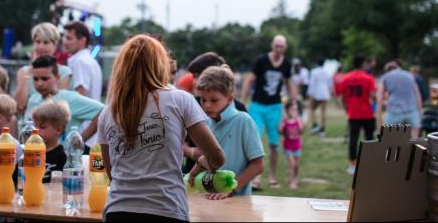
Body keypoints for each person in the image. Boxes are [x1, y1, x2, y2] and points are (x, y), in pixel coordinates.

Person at [98, 34, 225, 223]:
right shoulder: (180, 99)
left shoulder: (108, 113)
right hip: (167, 208)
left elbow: (112, 173)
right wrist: (202, 164)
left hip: (118, 209)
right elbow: (217, 158)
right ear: (160, 64)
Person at [185, 66, 263, 198]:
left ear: (230, 98)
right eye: (203, 100)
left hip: (239, 202)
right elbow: (206, 159)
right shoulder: (206, 123)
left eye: (214, 100)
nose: (207, 105)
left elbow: (258, 166)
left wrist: (230, 189)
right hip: (209, 200)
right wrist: (192, 175)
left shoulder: (243, 121)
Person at [240, 35, 296, 190]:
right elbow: (250, 79)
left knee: (274, 144)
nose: (278, 49)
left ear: (285, 47)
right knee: (255, 140)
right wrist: (243, 100)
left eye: (281, 46)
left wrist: (294, 101)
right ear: (272, 45)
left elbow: (288, 83)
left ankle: (272, 177)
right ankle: (255, 178)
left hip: (275, 107)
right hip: (257, 106)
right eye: (276, 45)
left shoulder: (286, 63)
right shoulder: (262, 60)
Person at [23, 56, 103, 142]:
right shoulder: (33, 99)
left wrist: (80, 139)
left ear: (57, 78)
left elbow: (103, 111)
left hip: (60, 154)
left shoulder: (69, 98)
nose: (39, 83)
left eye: (45, 79)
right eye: (35, 79)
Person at [14, 22, 72, 116]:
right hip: (26, 127)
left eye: (46, 42)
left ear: (54, 45)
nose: (41, 47)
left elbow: (56, 106)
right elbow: (19, 106)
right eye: (38, 42)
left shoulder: (64, 72)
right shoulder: (23, 72)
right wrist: (30, 71)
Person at [341, 56, 376, 175]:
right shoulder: (368, 78)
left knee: (353, 140)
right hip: (367, 113)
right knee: (370, 140)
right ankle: (370, 164)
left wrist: (347, 108)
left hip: (353, 114)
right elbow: (372, 95)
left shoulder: (346, 78)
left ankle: (352, 165)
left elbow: (343, 97)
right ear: (363, 64)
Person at [376, 60, 422, 138]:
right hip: (411, 112)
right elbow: (418, 96)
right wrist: (419, 115)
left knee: (391, 142)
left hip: (394, 113)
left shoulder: (385, 77)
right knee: (414, 142)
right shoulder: (410, 75)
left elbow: (379, 98)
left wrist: (378, 120)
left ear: (387, 70)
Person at [31, 99, 70, 183]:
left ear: (58, 129)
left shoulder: (63, 155)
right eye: (35, 125)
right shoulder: (31, 151)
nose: (36, 130)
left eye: (42, 127)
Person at [63, 21, 102, 101]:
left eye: (69, 38)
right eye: (64, 37)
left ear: (82, 41)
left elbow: (81, 98)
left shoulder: (80, 61)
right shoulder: (87, 60)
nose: (65, 42)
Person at [280, 101, 303, 189]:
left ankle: (294, 178)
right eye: (292, 110)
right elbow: (280, 131)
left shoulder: (298, 121)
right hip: (288, 147)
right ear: (287, 110)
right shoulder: (284, 122)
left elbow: (301, 132)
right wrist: (281, 126)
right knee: (292, 164)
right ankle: (292, 182)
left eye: (295, 110)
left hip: (297, 146)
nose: (294, 112)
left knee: (296, 165)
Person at [307, 59, 332, 135]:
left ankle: (315, 125)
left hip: (316, 93)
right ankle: (322, 130)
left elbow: (312, 83)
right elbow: (330, 84)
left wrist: (310, 93)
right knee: (323, 112)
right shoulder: (327, 72)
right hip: (325, 93)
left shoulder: (314, 71)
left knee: (311, 108)